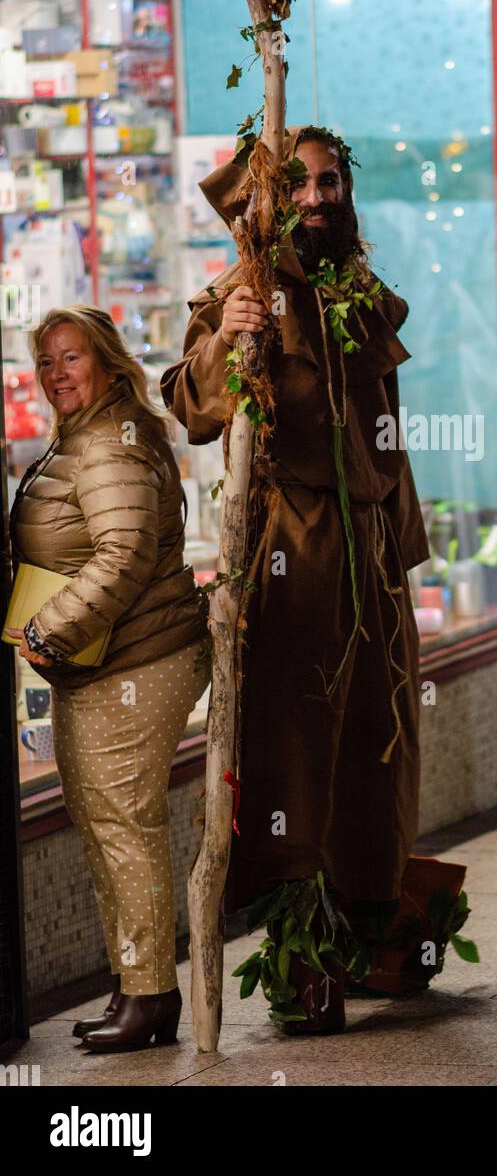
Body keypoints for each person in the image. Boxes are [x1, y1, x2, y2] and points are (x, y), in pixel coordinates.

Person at [160, 124, 430, 1033]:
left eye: (329, 181)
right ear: (268, 205)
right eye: (300, 185)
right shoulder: (243, 294)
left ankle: (364, 931)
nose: (318, 197)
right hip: (293, 550)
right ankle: (298, 954)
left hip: (372, 556)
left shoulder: (359, 292)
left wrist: (398, 546)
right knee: (294, 756)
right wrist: (228, 342)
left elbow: (387, 436)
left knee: (372, 748)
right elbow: (191, 404)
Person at [6, 306, 209, 1052]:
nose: (59, 374)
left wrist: (47, 631)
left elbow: (121, 556)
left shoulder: (110, 445)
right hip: (98, 662)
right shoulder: (89, 435)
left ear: (107, 363)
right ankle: (136, 985)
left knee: (124, 829)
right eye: (47, 361)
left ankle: (151, 999)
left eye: (72, 358)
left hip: (133, 662)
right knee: (106, 828)